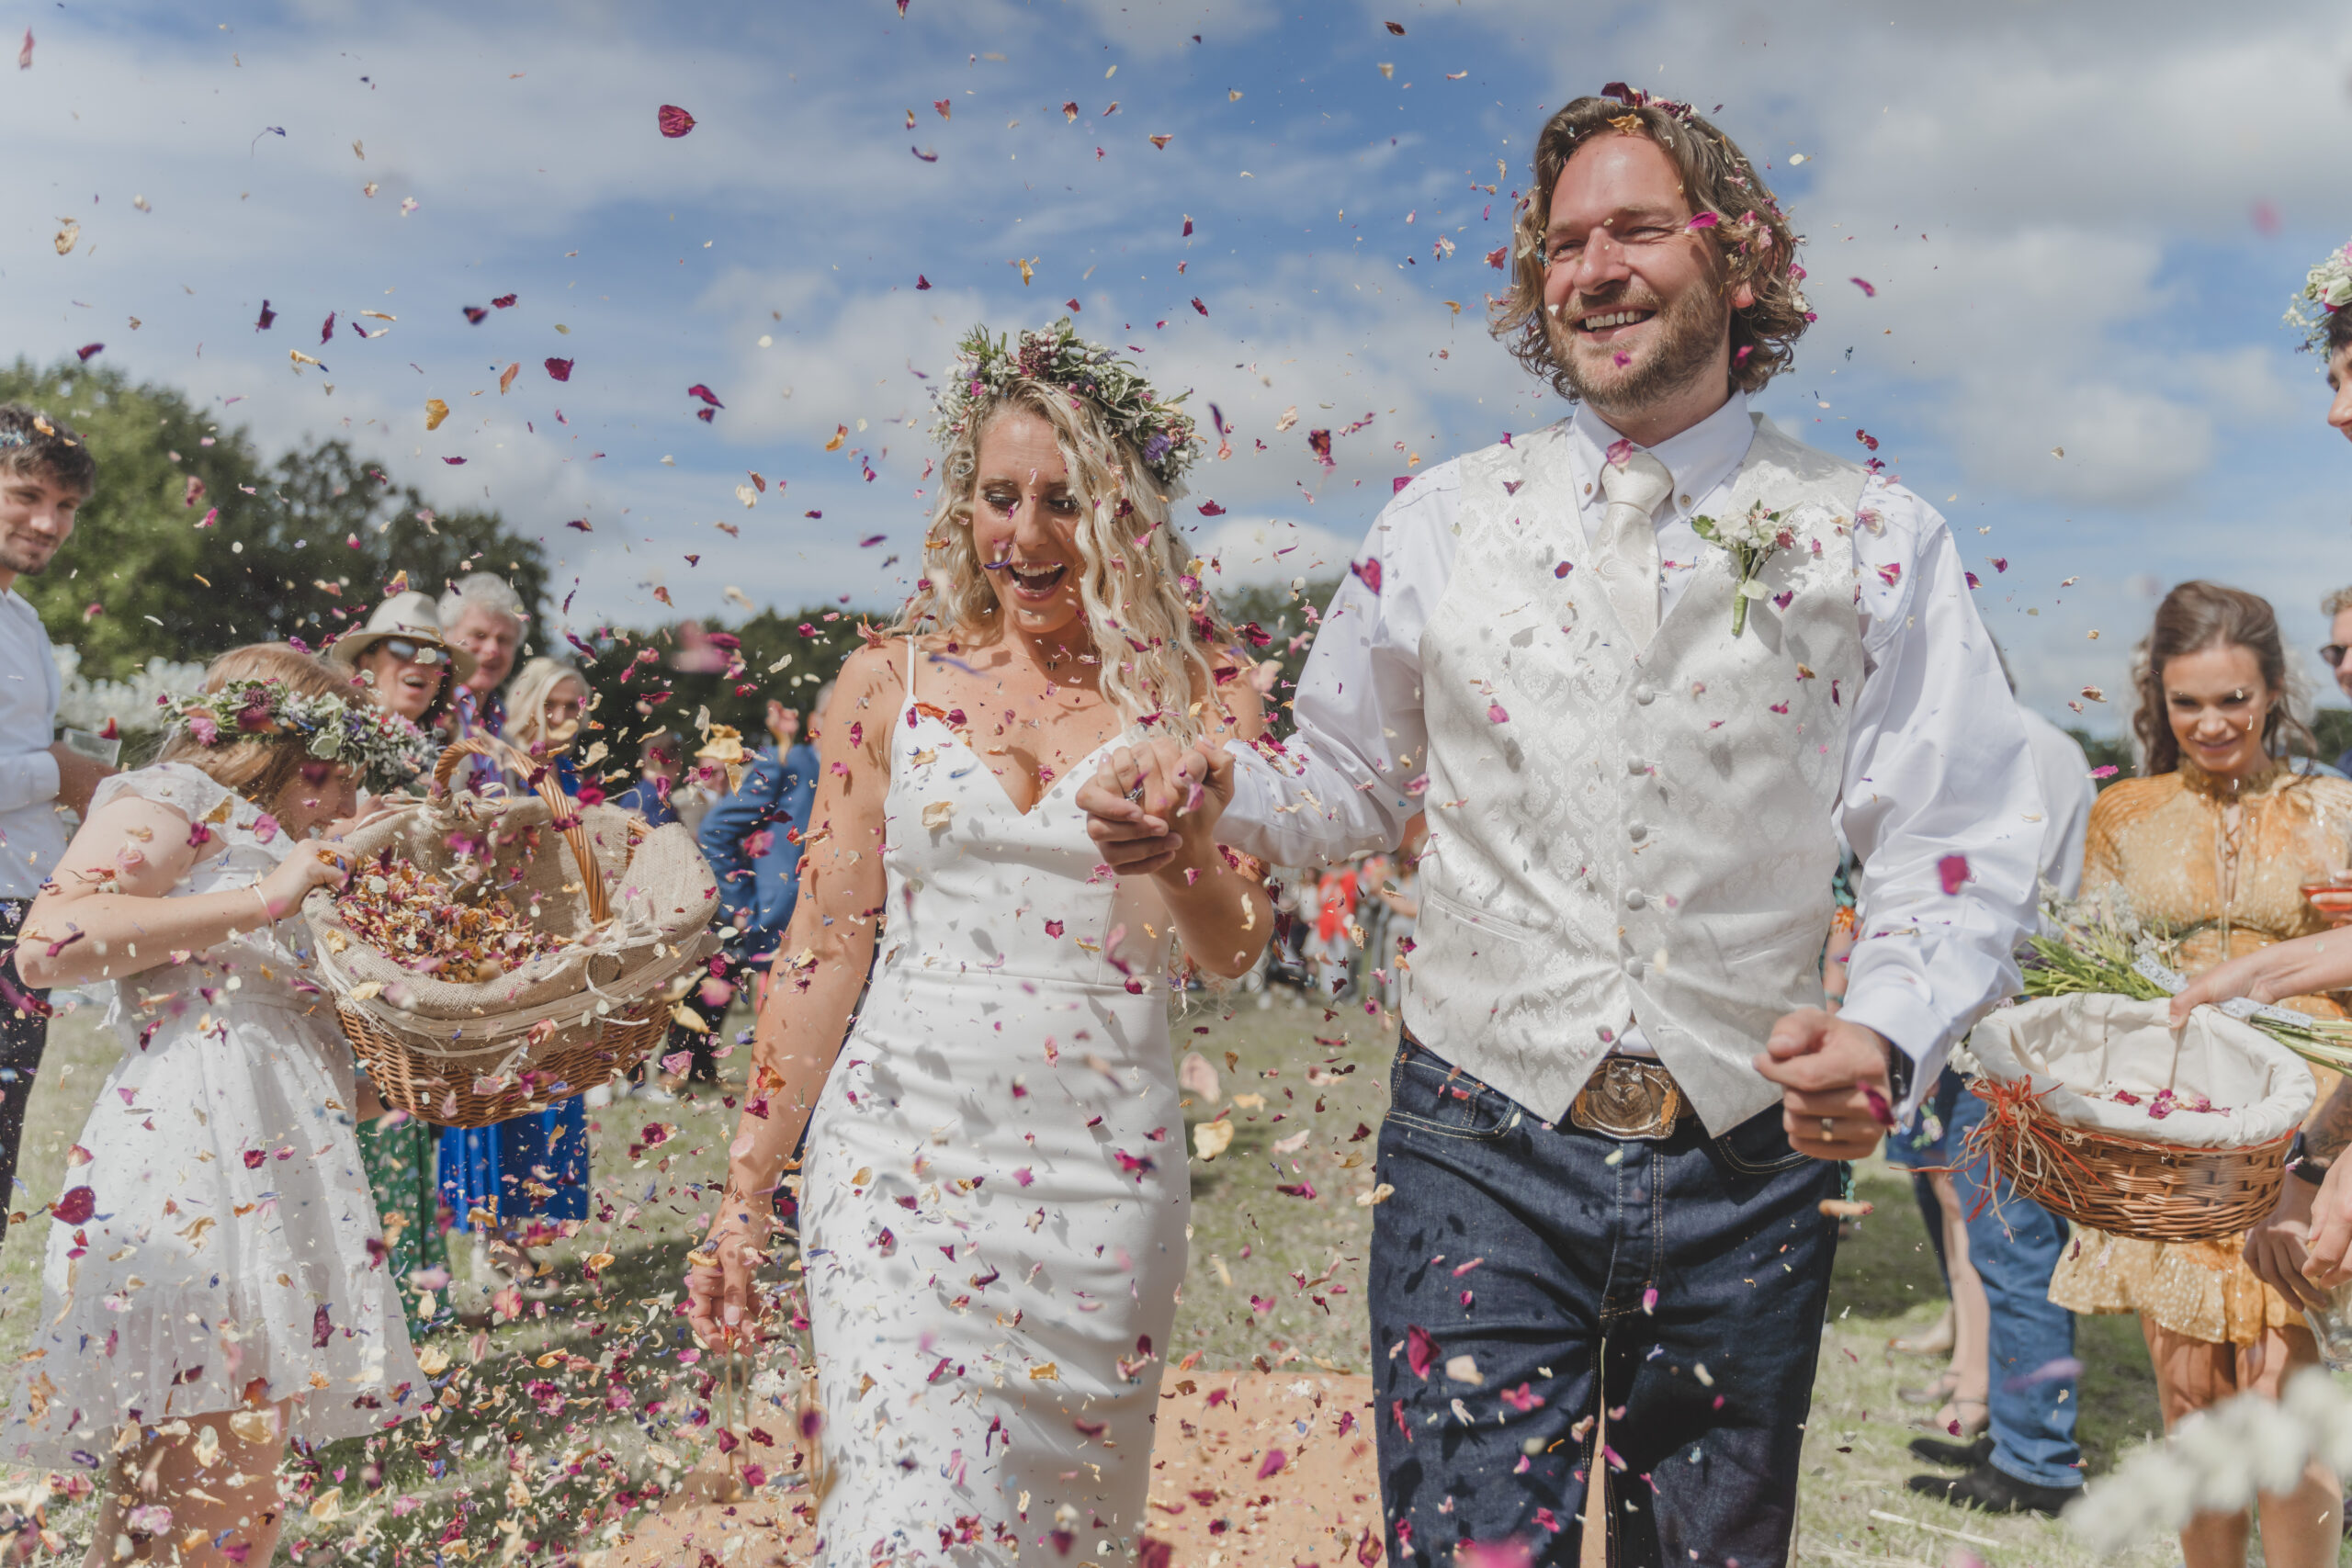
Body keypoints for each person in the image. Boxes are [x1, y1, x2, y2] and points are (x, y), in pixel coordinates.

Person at [1081, 87, 2042, 1560]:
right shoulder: (1441, 522)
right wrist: (1208, 783)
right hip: (1479, 1140)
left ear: (1739, 259)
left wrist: (1891, 1024)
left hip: (1749, 1159)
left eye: (1638, 228)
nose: (1594, 267)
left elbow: (1955, 823)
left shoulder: (1874, 533)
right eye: (1563, 242)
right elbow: (1337, 779)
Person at [686, 318, 1272, 1558]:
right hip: (896, 1153)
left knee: (1064, 1532)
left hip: (1100, 1170)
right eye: (1000, 497)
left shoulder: (1197, 691)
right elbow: (822, 943)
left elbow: (1237, 939)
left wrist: (1179, 859)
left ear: (1126, 516)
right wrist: (747, 1194)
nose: (1026, 535)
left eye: (1065, 502)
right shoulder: (883, 683)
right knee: (908, 1520)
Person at [3, 644, 425, 1567]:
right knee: (198, 1493)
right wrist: (265, 895)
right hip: (192, 1154)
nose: (344, 793)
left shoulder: (279, 843)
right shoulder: (174, 799)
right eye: (331, 771)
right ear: (279, 746)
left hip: (285, 1159)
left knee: (240, 1499)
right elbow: (48, 946)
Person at [2044, 581, 2346, 1564]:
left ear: (2271, 693)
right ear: (2157, 702)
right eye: (2187, 702)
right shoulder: (2124, 814)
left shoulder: (2334, 808)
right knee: (2191, 1404)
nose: (2210, 723)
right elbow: (2092, 970)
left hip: (2292, 1136)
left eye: (2232, 699)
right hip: (2170, 1137)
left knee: (2282, 1415)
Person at [327, 589, 472, 1328]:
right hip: (349, 961)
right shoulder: (338, 739)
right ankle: (384, 1314)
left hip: (419, 959)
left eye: (436, 656)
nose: (423, 666)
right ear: (370, 661)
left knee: (413, 1118)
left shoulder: (433, 749)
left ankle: (423, 1299)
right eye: (406, 650)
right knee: (372, 1117)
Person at [435, 655, 591, 1296]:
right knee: (494, 1092)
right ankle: (490, 1237)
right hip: (498, 945)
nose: (562, 718)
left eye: (574, 707)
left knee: (548, 1089)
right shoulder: (497, 763)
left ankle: (521, 1230)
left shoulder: (571, 770)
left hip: (555, 947)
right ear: (525, 701)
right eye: (551, 704)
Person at [0, 404, 110, 1242]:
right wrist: (65, 772)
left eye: (67, 506)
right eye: (26, 493)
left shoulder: (27, 622)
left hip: (20, 917)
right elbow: (40, 769)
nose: (48, 523)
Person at [696, 693, 821, 1013]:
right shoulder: (787, 761)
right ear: (815, 721)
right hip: (784, 924)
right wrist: (742, 903)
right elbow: (716, 831)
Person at [438, 572, 526, 791]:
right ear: (446, 635)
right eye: (479, 635)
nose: (492, 650)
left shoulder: (508, 738)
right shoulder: (423, 714)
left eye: (504, 640)